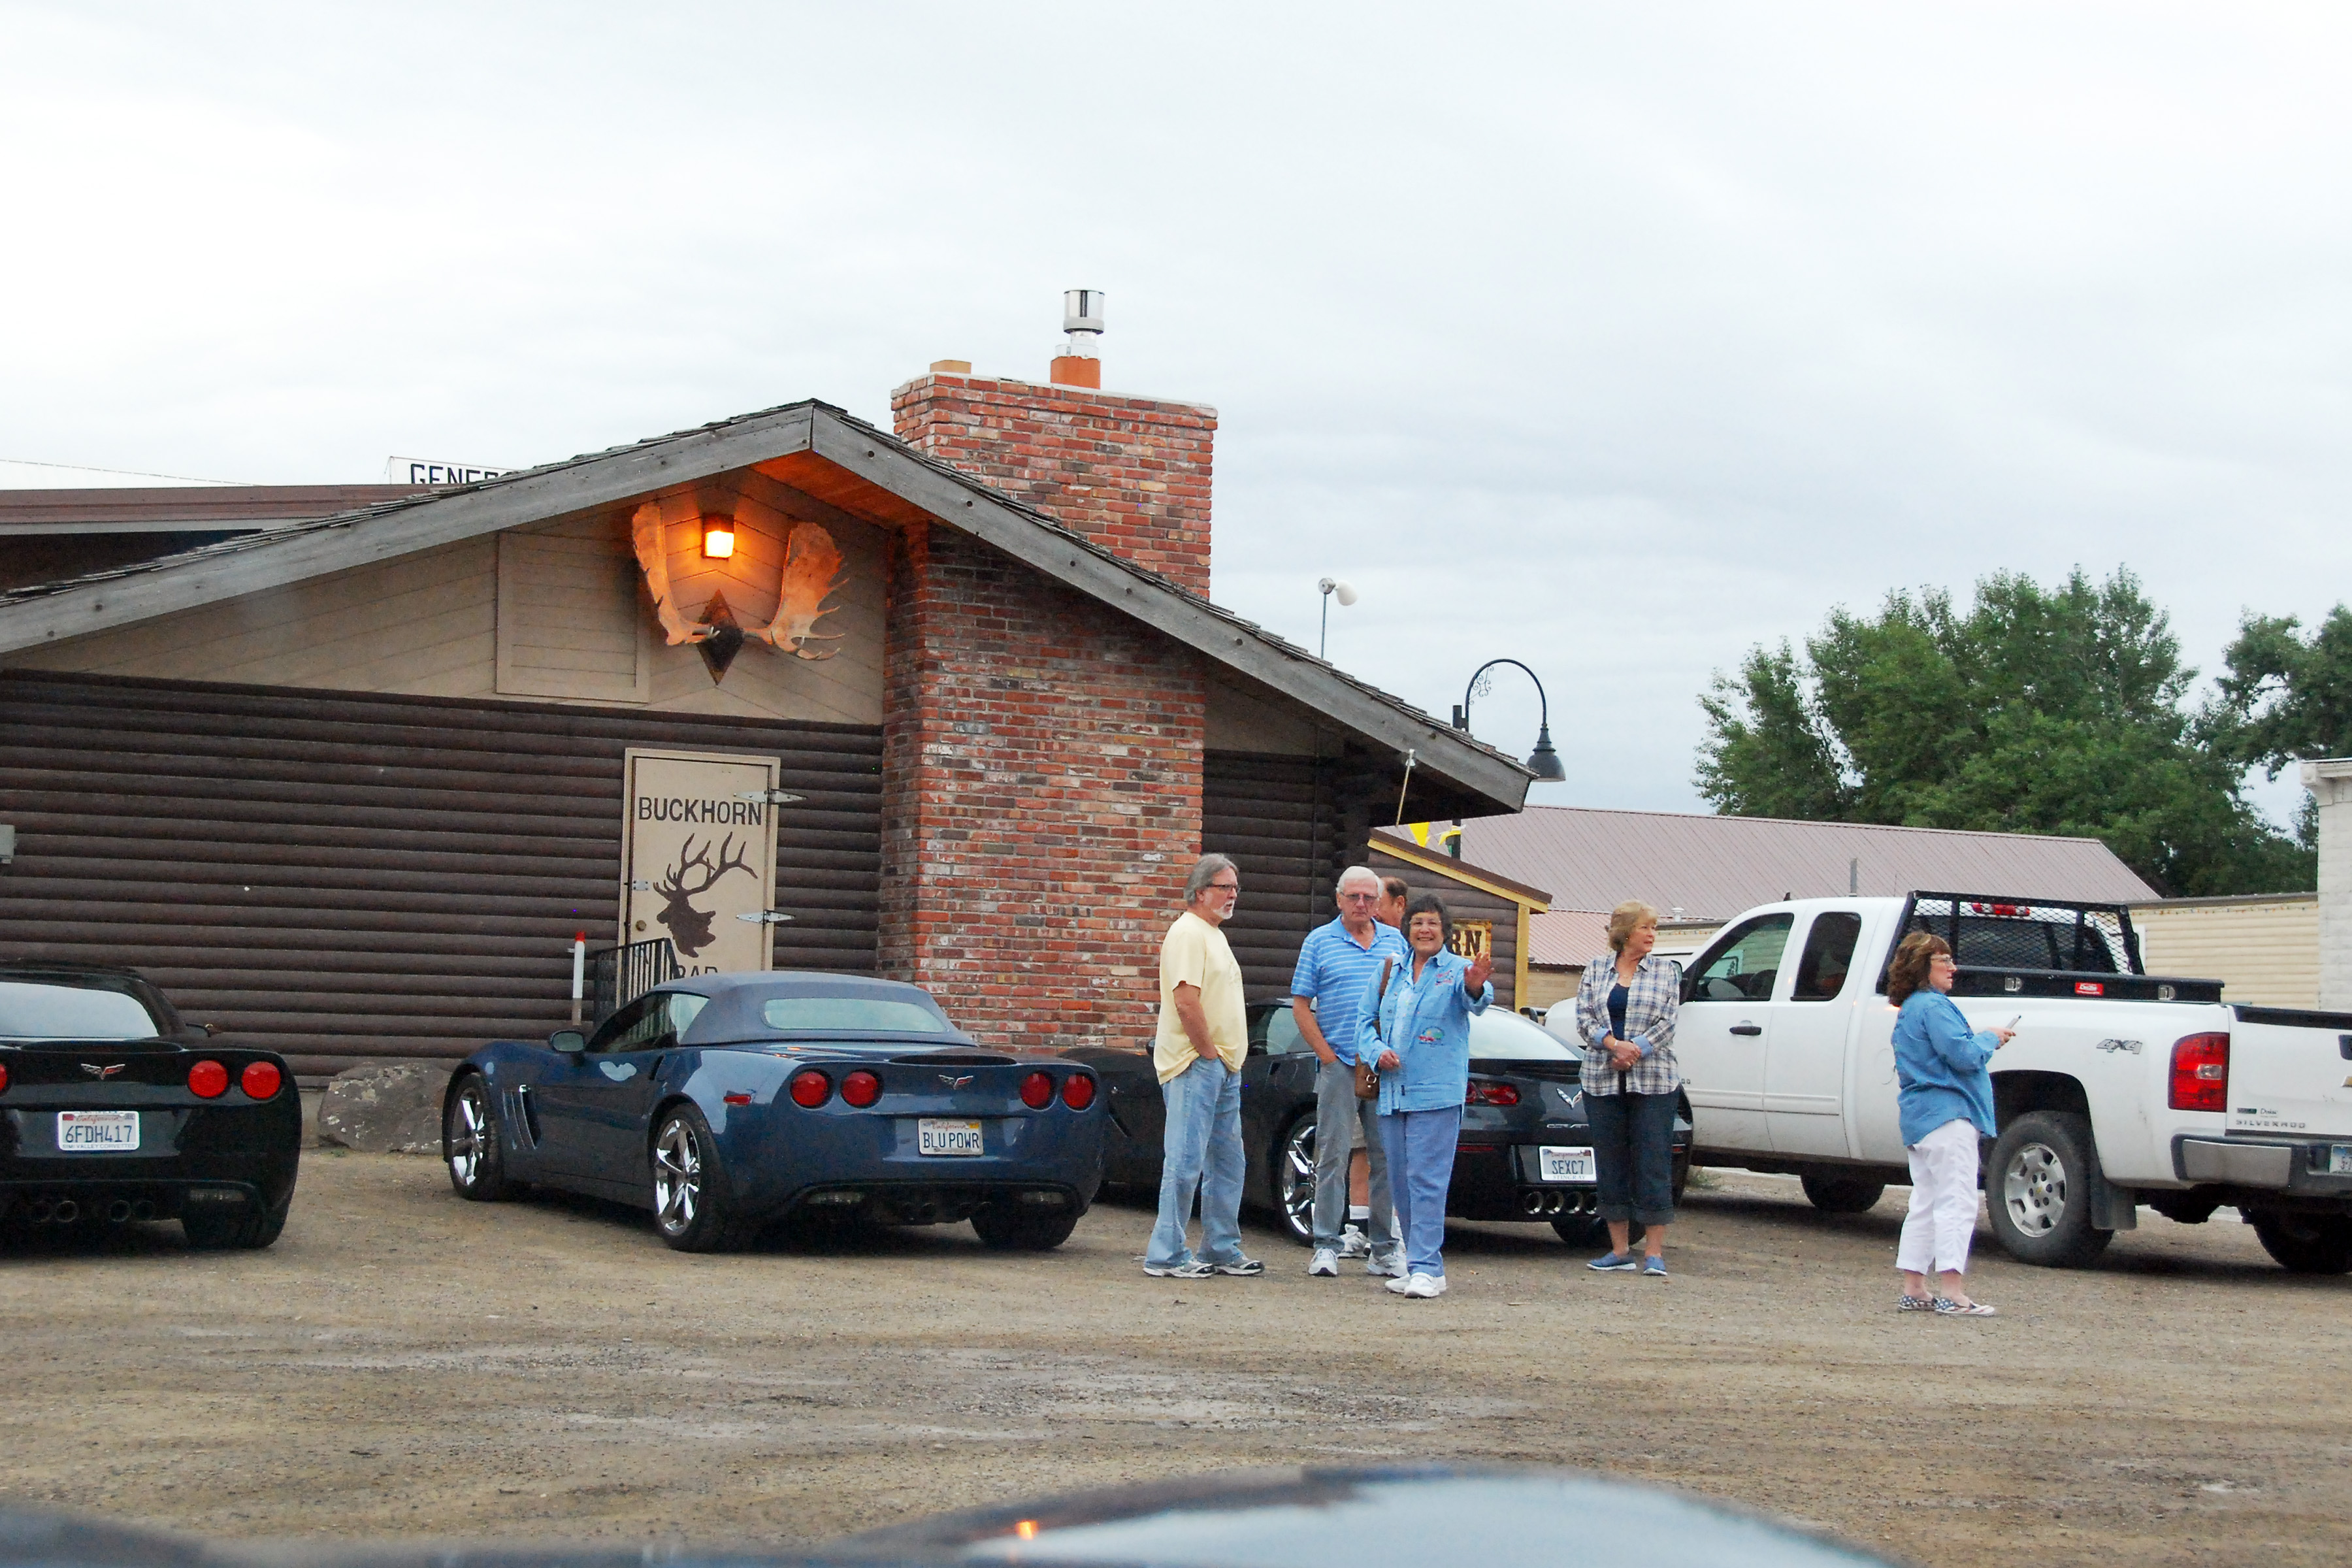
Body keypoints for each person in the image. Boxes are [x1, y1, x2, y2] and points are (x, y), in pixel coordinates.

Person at [1361, 894, 1492, 1299]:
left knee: (1427, 1181)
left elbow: (1479, 1001)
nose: (1425, 929)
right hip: (1392, 1094)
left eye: (1433, 923)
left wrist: (1475, 987)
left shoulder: (1456, 971)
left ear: (1445, 931)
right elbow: (1365, 1022)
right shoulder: (1392, 970)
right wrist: (1376, 1051)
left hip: (1435, 1093)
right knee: (1400, 1181)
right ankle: (1419, 1264)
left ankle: (1428, 1267)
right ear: (1407, 929)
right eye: (1418, 922)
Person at [1143, 854, 1264, 1279]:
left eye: (1235, 887)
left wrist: (1225, 1060)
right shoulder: (1187, 933)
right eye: (1224, 886)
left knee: (1229, 1163)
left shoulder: (1214, 935)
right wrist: (1208, 1053)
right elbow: (1185, 1000)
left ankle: (1221, 1248)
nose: (1232, 895)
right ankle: (1167, 1254)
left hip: (1226, 1067)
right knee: (1185, 1160)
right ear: (1200, 891)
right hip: (1196, 1064)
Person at [1289, 866, 1409, 1279]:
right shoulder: (1319, 941)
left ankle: (1384, 1248)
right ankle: (1325, 1243)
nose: (1362, 905)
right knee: (1332, 1155)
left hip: (1383, 1066)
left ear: (1379, 902)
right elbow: (1301, 1004)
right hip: (1340, 1061)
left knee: (1385, 1156)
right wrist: (1325, 1056)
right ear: (1339, 899)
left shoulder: (1395, 941)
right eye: (1354, 897)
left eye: (1369, 898)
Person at [1887, 931, 2014, 1316]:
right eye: (1944, 960)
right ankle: (1953, 1293)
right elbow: (1962, 1055)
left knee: (1925, 1202)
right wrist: (1990, 1038)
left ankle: (1915, 1288)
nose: (1952, 967)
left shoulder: (1909, 1007)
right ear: (1924, 967)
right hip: (1950, 1117)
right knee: (1956, 1202)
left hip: (1919, 1120)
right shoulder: (1936, 1007)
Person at [1572, 900, 1682, 1277]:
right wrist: (1611, 1045)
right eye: (1646, 928)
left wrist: (1635, 1049)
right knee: (1610, 1161)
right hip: (1602, 1079)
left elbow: (1668, 1021)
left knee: (1653, 1160)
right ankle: (1619, 1250)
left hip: (1654, 1081)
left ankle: (1654, 1252)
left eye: (1655, 928)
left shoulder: (1667, 971)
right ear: (1625, 933)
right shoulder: (1596, 969)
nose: (1652, 934)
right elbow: (1584, 1016)